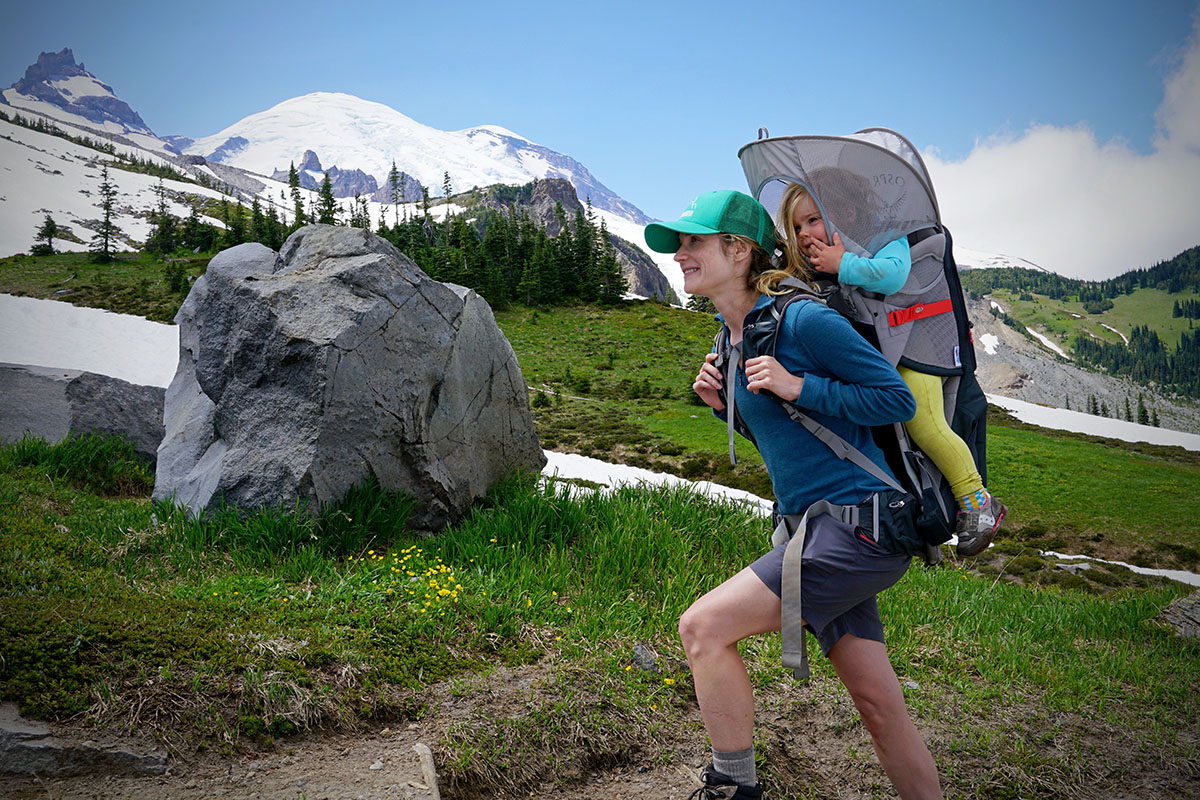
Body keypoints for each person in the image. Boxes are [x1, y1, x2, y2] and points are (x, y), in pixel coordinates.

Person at [644, 190, 943, 799]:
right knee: (879, 706)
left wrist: (799, 385)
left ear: (739, 249)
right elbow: (797, 446)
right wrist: (727, 408)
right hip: (819, 529)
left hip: (862, 527)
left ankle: (733, 789)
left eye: (695, 241)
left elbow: (897, 400)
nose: (681, 254)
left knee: (702, 628)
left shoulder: (803, 320)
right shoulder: (733, 340)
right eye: (680, 244)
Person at [778, 178, 1005, 556]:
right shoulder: (825, 256)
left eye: (813, 220)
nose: (804, 234)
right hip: (891, 351)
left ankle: (977, 501)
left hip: (921, 347)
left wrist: (843, 263)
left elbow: (893, 274)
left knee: (923, 422)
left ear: (845, 212)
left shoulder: (886, 236)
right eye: (797, 227)